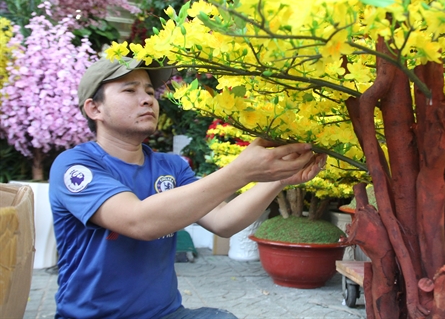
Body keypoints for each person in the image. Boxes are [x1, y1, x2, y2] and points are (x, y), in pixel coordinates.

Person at [49, 57, 327, 319]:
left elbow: (224, 222)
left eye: (149, 90)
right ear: (94, 108)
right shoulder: (75, 166)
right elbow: (139, 221)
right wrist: (240, 171)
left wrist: (279, 179)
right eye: (130, 90)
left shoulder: (171, 166)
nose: (147, 99)